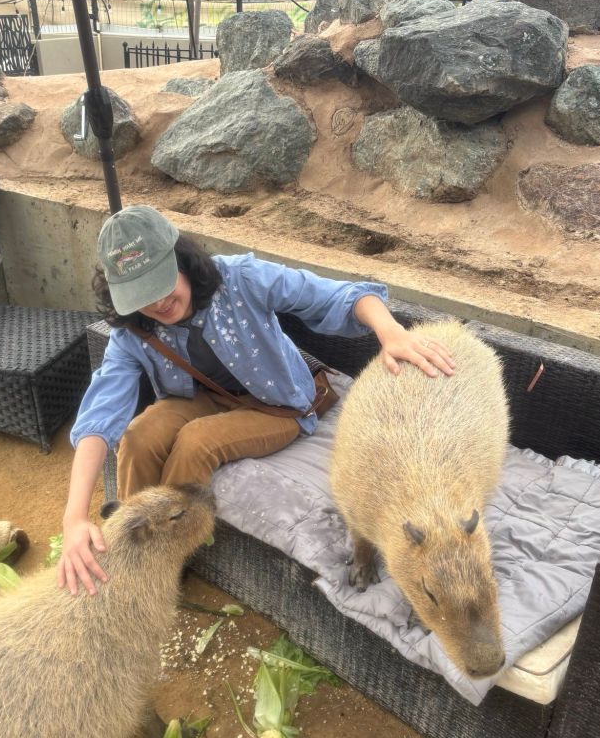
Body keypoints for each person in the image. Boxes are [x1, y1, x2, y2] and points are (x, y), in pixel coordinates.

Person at [58, 205, 455, 595]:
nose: (157, 303)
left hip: (278, 403)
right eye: (141, 295)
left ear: (182, 260)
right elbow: (100, 414)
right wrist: (74, 518)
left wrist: (392, 333)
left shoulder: (241, 278)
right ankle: (132, 546)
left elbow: (339, 296)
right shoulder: (133, 331)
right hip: (204, 397)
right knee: (140, 434)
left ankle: (166, 562)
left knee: (196, 443)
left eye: (162, 283)